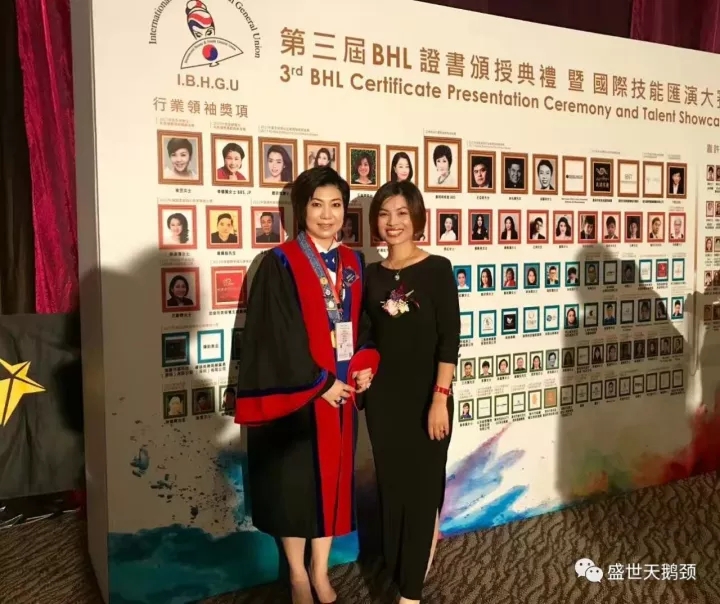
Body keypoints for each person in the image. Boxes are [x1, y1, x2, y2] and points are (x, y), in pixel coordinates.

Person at [234, 166, 380, 604]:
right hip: (300, 400)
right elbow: (275, 337)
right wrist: (320, 383)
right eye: (317, 205)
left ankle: (321, 570)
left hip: (342, 397)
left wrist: (364, 364)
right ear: (301, 209)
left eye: (336, 205)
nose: (327, 214)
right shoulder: (280, 263)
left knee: (333, 487)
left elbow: (365, 325)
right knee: (294, 488)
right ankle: (298, 574)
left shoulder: (355, 263)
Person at [363, 180, 460, 604]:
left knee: (422, 492)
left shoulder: (437, 269)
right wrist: (361, 371)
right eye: (385, 214)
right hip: (384, 402)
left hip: (428, 399)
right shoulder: (371, 275)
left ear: (416, 217)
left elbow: (449, 339)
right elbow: (367, 337)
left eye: (402, 213)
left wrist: (440, 398)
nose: (393, 222)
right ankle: (402, 570)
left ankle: (410, 594)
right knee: (394, 489)